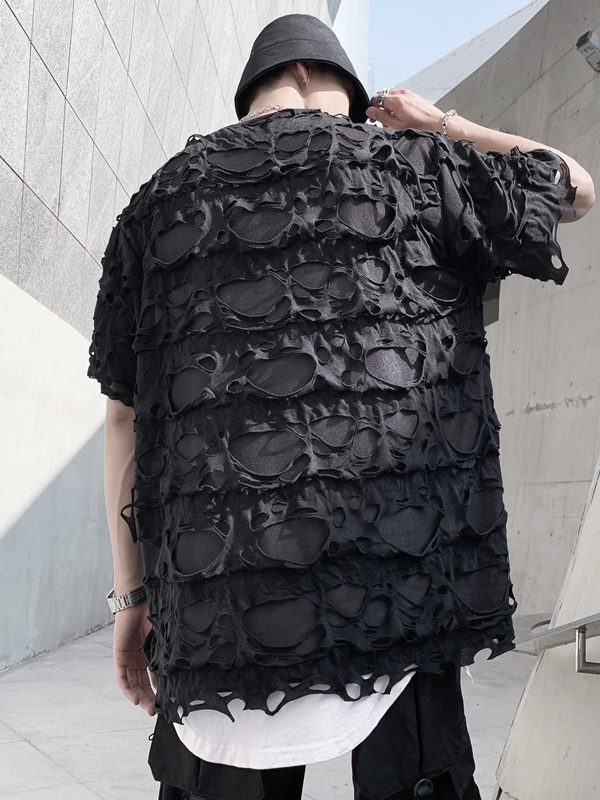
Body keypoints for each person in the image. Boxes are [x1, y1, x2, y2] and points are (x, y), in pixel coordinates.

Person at [87, 12, 595, 800]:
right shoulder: (416, 166)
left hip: (219, 600)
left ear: (252, 91)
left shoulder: (158, 205)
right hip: (396, 585)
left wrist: (132, 598)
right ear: (336, 86)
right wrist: (441, 123)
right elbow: (573, 186)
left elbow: (124, 416)